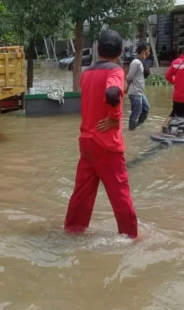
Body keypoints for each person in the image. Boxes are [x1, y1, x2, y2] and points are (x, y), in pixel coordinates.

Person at [64, 30, 138, 239]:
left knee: (82, 192)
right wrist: (115, 117)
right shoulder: (115, 71)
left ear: (97, 49)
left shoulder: (86, 73)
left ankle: (73, 229)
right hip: (107, 144)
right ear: (121, 51)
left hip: (87, 142)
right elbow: (113, 92)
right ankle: (130, 236)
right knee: (119, 192)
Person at [126, 43, 151, 130]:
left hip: (140, 92)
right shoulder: (136, 62)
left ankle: (135, 127)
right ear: (144, 51)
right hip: (135, 92)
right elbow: (129, 77)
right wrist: (127, 87)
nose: (149, 53)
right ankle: (131, 131)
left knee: (146, 109)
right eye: (148, 51)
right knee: (136, 113)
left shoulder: (141, 62)